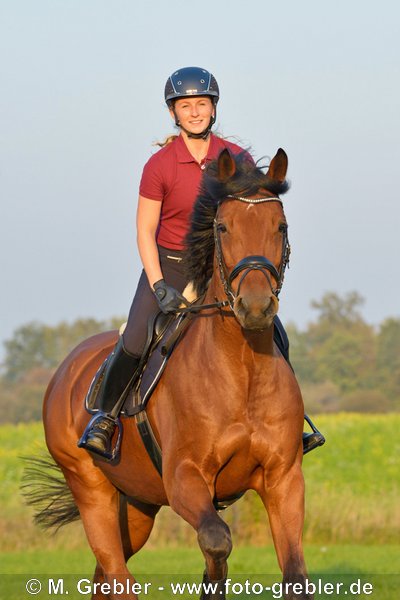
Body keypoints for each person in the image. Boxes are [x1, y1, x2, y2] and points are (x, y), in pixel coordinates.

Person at [78, 66, 325, 460]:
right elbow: (145, 231)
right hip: (170, 267)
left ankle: (293, 422)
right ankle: (104, 420)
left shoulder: (236, 158)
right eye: (186, 105)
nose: (195, 112)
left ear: (213, 109)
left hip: (220, 270)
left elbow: (251, 215)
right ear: (174, 113)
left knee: (274, 333)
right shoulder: (159, 165)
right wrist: (159, 285)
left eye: (202, 104)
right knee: (137, 336)